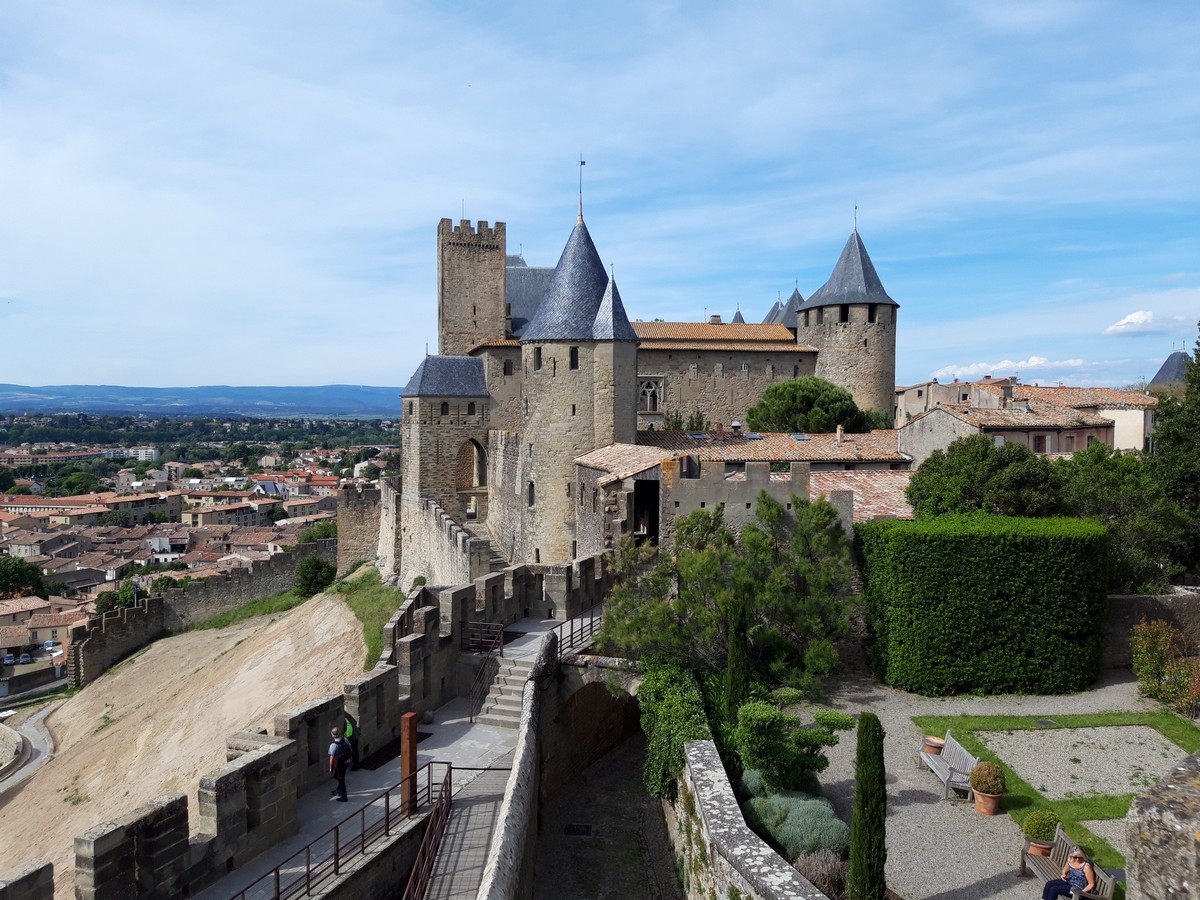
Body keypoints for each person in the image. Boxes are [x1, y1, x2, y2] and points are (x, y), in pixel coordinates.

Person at [328, 726, 350, 802]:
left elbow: (331, 757)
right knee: (340, 778)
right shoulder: (345, 740)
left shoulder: (333, 745)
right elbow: (350, 749)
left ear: (332, 734)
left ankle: (344, 796)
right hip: (345, 762)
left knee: (341, 780)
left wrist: (330, 768)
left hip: (338, 765)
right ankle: (338, 790)